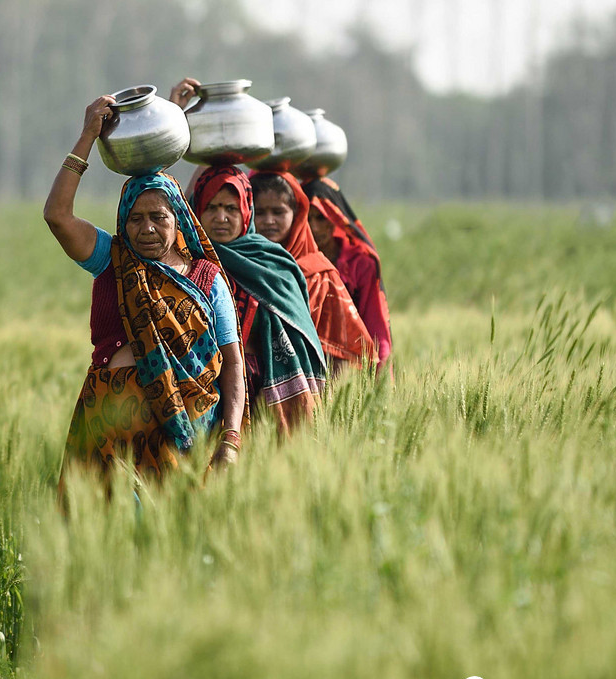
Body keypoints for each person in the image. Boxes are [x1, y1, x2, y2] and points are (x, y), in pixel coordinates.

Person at [43, 95, 246, 490]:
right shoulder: (112, 259)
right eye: (135, 218)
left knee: (171, 538)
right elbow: (57, 216)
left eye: (158, 217)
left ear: (180, 221)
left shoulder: (207, 278)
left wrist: (231, 439)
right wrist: (88, 136)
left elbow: (232, 362)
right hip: (111, 430)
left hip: (186, 437)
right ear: (124, 221)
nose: (147, 228)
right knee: (104, 535)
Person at [189, 165, 328, 434]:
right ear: (197, 211)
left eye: (231, 208)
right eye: (211, 207)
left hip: (263, 390)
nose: (221, 217)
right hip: (200, 388)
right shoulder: (189, 260)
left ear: (245, 211)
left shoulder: (274, 264)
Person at [249, 170, 376, 371]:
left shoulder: (321, 274)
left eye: (278, 212)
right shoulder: (239, 266)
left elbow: (341, 353)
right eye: (260, 212)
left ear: (297, 213)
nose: (269, 220)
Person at [303, 177, 393, 367]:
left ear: (336, 218)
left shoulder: (360, 264)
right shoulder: (294, 260)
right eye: (307, 219)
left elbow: (376, 325)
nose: (314, 227)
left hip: (349, 366)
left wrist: (382, 378)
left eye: (321, 217)